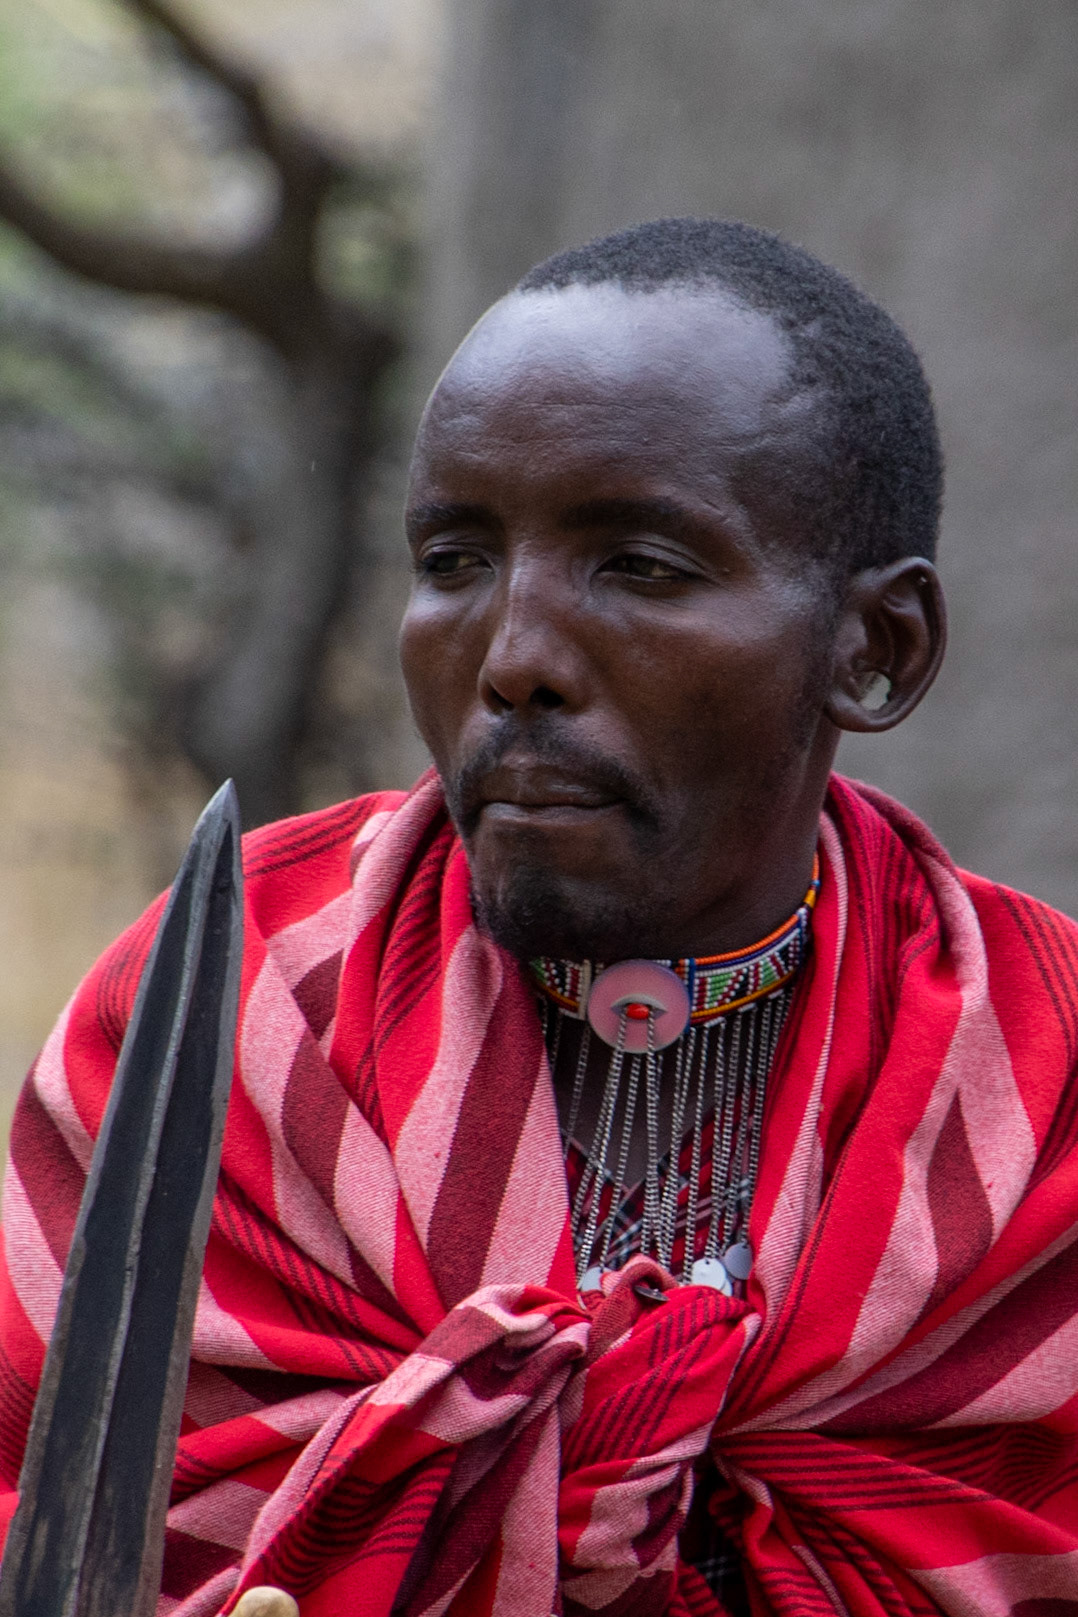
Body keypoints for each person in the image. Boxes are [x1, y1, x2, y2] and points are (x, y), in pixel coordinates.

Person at [2, 216, 1078, 1617]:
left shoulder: (1039, 1081)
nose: (511, 658)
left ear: (874, 648)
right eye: (454, 558)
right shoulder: (238, 1012)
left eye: (637, 564)